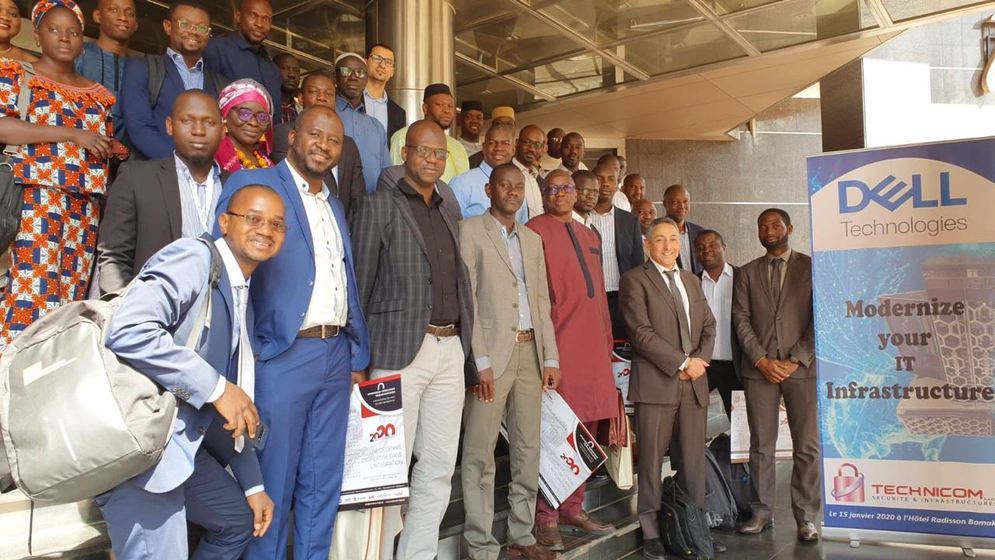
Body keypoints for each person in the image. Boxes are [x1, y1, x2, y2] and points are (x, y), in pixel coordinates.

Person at [216, 105, 372, 559]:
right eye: (315, 135)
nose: (324, 145)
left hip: (335, 355)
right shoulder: (255, 185)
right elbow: (223, 272)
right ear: (292, 137)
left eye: (334, 140)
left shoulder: (333, 202)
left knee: (323, 482)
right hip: (282, 355)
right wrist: (248, 353)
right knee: (272, 483)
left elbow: (345, 278)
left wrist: (356, 354)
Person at [99, 185, 285, 559]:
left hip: (180, 447)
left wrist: (253, 486)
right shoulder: (194, 257)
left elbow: (225, 407)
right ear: (224, 222)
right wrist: (217, 388)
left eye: (277, 224)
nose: (265, 229)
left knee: (235, 522)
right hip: (141, 448)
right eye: (253, 218)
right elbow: (128, 330)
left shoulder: (237, 290)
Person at [352, 120, 473, 560]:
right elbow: (359, 288)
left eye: (439, 154)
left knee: (439, 467)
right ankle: (378, 554)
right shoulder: (378, 206)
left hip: (449, 349)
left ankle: (417, 554)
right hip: (396, 354)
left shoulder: (449, 209)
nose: (431, 159)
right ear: (406, 152)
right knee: (386, 468)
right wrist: (358, 359)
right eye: (423, 151)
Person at [0, 0, 117, 349]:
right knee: (28, 294)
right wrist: (72, 133)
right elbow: (3, 127)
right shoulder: (17, 75)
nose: (64, 38)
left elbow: (100, 141)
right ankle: (10, 382)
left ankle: (48, 383)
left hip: (85, 210)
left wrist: (110, 148)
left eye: (73, 32)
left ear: (83, 39)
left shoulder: (99, 96)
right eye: (54, 29)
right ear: (36, 34)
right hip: (37, 201)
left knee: (69, 301)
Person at [460, 162, 561, 560]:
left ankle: (521, 534)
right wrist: (479, 360)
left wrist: (550, 355)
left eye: (519, 186)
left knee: (528, 449)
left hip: (531, 354)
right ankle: (481, 544)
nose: (513, 192)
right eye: (505, 185)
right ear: (490, 190)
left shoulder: (532, 239)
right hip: (491, 358)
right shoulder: (470, 231)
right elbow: (467, 301)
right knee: (479, 453)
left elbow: (541, 301)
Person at [526, 170, 617, 551]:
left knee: (589, 429)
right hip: (560, 346)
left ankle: (573, 507)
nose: (561, 194)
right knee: (559, 430)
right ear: (544, 195)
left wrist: (609, 346)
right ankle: (545, 516)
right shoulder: (533, 230)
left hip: (595, 348)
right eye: (554, 189)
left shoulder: (588, 233)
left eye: (567, 188)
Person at [619, 217, 719, 560]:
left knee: (693, 462)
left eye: (673, 239)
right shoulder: (634, 280)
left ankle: (695, 529)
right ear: (648, 243)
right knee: (649, 462)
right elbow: (641, 333)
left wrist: (700, 361)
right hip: (656, 385)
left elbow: (709, 324)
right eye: (660, 239)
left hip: (694, 385)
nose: (667, 246)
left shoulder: (692, 280)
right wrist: (682, 363)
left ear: (681, 243)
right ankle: (651, 533)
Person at [733, 208, 819, 542]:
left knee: (807, 447)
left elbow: (821, 316)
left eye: (775, 225)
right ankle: (761, 512)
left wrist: (796, 359)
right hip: (760, 372)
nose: (768, 230)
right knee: (761, 446)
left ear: (789, 228)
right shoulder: (747, 272)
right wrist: (761, 360)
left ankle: (807, 517)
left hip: (802, 370)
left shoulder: (811, 267)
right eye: (762, 226)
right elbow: (741, 318)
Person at [97, 89, 225, 294]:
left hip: (218, 313)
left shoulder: (235, 186)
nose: (198, 131)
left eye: (209, 122)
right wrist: (123, 310)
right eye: (187, 120)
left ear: (223, 129)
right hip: (155, 311)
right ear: (170, 125)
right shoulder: (137, 178)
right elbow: (114, 255)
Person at [121, 0, 227, 160]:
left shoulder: (221, 84)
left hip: (205, 178)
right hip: (156, 173)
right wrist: (182, 166)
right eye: (185, 24)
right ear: (168, 26)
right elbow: (139, 127)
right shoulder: (142, 68)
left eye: (202, 28)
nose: (194, 32)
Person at [270, 71, 365, 219]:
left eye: (328, 94)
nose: (322, 98)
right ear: (301, 99)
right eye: (314, 92)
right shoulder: (283, 133)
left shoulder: (349, 144)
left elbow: (357, 199)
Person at [587, 163, 644, 339]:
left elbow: (638, 264)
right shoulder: (580, 218)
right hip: (590, 300)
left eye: (610, 179)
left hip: (621, 300)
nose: (605, 184)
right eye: (599, 178)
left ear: (617, 184)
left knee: (621, 355)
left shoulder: (630, 221)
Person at [204, 0, 281, 123]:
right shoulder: (217, 48)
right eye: (252, 15)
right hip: (226, 139)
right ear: (238, 16)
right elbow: (206, 100)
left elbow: (275, 118)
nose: (259, 24)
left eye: (266, 19)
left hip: (267, 140)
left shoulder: (272, 68)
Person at [74, 0, 137, 143]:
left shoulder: (141, 67)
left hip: (128, 157)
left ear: (136, 24)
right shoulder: (78, 53)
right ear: (97, 16)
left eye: (130, 13)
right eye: (113, 10)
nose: (123, 17)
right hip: (78, 147)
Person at [695, 229, 742, 418]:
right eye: (700, 247)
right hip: (702, 365)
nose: (707, 250)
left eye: (712, 245)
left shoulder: (744, 278)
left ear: (724, 247)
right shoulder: (691, 282)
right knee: (689, 419)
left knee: (742, 426)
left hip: (736, 365)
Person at [389, 83, 469, 183]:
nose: (446, 110)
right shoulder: (403, 136)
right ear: (425, 108)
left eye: (450, 106)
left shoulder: (458, 146)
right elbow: (396, 179)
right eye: (439, 104)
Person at [334, 52, 390, 194]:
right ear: (335, 77)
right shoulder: (326, 117)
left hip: (370, 207)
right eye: (346, 71)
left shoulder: (376, 126)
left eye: (359, 72)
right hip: (331, 203)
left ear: (366, 79)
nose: (353, 77)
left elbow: (386, 173)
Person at [451, 123, 523, 221]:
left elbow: (522, 227)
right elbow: (451, 227)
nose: (499, 148)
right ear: (484, 148)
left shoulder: (519, 185)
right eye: (492, 142)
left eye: (505, 143)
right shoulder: (462, 183)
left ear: (513, 150)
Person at [215, 78, 274, 173]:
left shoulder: (265, 161)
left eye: (262, 117)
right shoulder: (213, 155)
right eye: (245, 114)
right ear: (225, 114)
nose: (253, 123)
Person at [364, 43, 405, 141]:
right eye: (377, 58)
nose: (382, 65)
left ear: (392, 72)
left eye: (388, 62)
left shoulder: (398, 113)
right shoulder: (350, 100)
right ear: (365, 63)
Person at [664, 183, 704, 275]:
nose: (681, 206)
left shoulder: (699, 233)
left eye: (685, 201)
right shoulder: (656, 232)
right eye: (675, 201)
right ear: (665, 204)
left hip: (696, 286)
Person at [512, 124, 545, 219]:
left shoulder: (541, 181)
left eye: (537, 144)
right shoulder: (505, 173)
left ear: (542, 148)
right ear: (517, 143)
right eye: (527, 142)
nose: (531, 149)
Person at [273, 52, 300, 123]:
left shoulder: (301, 111)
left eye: (296, 70)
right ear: (272, 71)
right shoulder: (263, 104)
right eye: (285, 68)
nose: (292, 74)